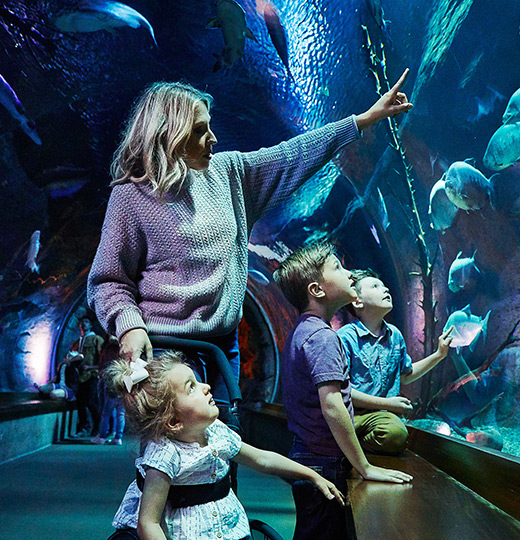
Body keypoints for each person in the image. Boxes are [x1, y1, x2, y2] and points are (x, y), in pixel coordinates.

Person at [87, 70, 413, 423]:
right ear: (168, 135)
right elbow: (108, 281)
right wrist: (129, 325)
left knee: (226, 449)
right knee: (176, 460)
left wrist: (361, 122)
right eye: (199, 130)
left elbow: (293, 154)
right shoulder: (131, 196)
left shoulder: (230, 175)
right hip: (165, 348)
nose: (213, 138)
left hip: (223, 346)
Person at [105, 350, 344, 540]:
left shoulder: (217, 432)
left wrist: (311, 475)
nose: (207, 387)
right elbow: (148, 522)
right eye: (192, 388)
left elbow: (262, 458)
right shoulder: (164, 455)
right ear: (174, 421)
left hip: (229, 536)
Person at [273, 243, 413, 540]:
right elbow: (333, 405)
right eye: (338, 267)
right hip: (323, 464)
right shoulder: (323, 338)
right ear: (317, 290)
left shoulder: (302, 332)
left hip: (308, 455)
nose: (350, 273)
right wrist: (364, 467)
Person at [337, 269, 453, 455]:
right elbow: (342, 391)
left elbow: (405, 375)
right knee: (394, 433)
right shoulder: (345, 337)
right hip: (352, 414)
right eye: (375, 286)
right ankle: (349, 445)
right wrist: (388, 403)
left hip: (382, 418)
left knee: (395, 433)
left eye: (384, 286)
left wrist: (439, 354)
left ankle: (349, 445)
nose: (385, 289)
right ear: (357, 302)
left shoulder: (394, 335)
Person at [70, 316, 104, 437]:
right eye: (81, 322)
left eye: (86, 322)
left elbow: (102, 358)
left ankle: (97, 427)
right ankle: (83, 427)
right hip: (79, 377)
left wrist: (93, 368)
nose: (84, 324)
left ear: (90, 325)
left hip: (92, 375)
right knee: (80, 403)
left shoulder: (96, 339)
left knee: (91, 402)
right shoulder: (77, 342)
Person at [91, 334, 125, 445]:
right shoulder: (124, 344)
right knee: (120, 413)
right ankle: (118, 437)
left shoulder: (110, 347)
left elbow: (104, 362)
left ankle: (102, 437)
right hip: (123, 379)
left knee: (106, 412)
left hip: (110, 379)